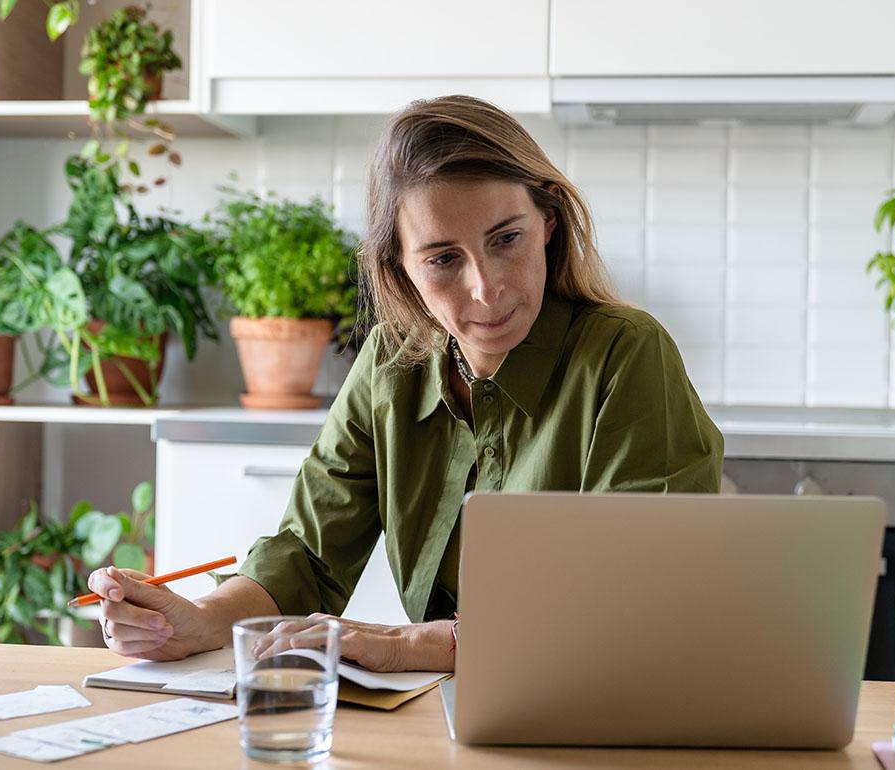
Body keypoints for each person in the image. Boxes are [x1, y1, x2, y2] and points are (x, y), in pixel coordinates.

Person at [88, 95, 724, 672]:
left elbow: (638, 597)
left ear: (549, 222)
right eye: (444, 259)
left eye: (507, 239)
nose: (486, 287)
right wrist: (199, 620)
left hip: (599, 708)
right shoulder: (391, 363)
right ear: (400, 268)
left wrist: (409, 644)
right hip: (449, 709)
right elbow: (309, 554)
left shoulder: (625, 353)